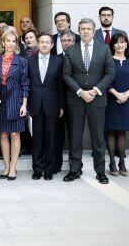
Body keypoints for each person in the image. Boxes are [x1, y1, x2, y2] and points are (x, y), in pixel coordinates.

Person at [62, 18, 116, 184]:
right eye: (82, 28)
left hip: (97, 99)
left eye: (88, 28)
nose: (85, 31)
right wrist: (80, 92)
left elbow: (110, 73)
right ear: (79, 30)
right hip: (76, 99)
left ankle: (100, 171)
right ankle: (74, 169)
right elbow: (66, 75)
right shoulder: (71, 50)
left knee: (98, 138)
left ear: (94, 31)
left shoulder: (104, 49)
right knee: (75, 137)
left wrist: (95, 90)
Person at [27, 33, 65, 181]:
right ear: (38, 43)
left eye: (47, 42)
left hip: (52, 105)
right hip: (34, 105)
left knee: (51, 138)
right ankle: (37, 168)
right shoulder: (29, 60)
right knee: (36, 139)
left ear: (52, 45)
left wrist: (61, 106)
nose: (44, 45)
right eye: (41, 42)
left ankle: (49, 169)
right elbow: (26, 83)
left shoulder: (59, 61)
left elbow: (61, 86)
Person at [0, 30, 29, 180]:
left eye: (14, 41)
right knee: (3, 134)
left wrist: (24, 104)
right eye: (8, 41)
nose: (11, 44)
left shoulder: (22, 61)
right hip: (0, 101)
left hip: (16, 100)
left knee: (15, 134)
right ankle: (6, 166)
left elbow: (25, 82)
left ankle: (14, 167)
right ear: (3, 42)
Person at [104, 33, 129, 177]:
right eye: (116, 42)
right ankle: (112, 162)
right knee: (111, 130)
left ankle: (122, 162)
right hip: (111, 99)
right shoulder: (108, 61)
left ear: (126, 45)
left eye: (122, 42)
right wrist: (117, 94)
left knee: (121, 131)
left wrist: (127, 94)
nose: (119, 45)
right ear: (112, 45)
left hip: (127, 100)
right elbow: (105, 81)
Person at [51, 30, 75, 175]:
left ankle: (74, 165)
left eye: (69, 40)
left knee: (74, 135)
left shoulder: (79, 58)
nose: (67, 43)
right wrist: (59, 105)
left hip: (75, 102)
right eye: (64, 40)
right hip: (58, 103)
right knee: (57, 136)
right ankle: (56, 163)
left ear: (74, 42)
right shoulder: (56, 59)